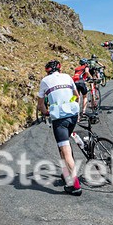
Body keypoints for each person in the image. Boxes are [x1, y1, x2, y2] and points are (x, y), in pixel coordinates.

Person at [37, 60, 81, 196]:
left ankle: (75, 185)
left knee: (65, 149)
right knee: (65, 145)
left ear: (47, 70)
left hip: (59, 118)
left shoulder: (45, 81)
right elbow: (76, 96)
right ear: (59, 69)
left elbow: (40, 104)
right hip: (73, 114)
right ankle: (66, 173)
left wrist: (45, 112)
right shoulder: (67, 77)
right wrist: (71, 105)